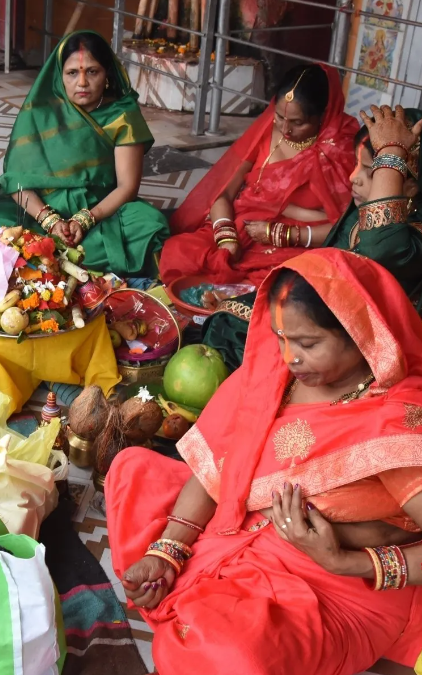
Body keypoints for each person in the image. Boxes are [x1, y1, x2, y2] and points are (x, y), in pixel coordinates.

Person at [106, 248, 422, 675]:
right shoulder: (273, 374)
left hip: (334, 583)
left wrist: (345, 561)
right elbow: (217, 469)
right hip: (241, 530)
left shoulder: (396, 420)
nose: (290, 356)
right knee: (131, 471)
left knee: (231, 655)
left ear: (361, 333)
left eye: (309, 343)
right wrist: (170, 551)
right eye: (280, 337)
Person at [202, 105, 422, 370]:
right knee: (226, 320)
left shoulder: (405, 236)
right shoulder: (365, 210)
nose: (353, 178)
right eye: (356, 165)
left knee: (239, 338)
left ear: (409, 187)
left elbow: (380, 245)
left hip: (357, 343)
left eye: (371, 171)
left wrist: (390, 152)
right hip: (319, 311)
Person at [0, 30, 168, 277]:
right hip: (43, 213)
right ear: (60, 76)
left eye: (92, 72)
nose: (82, 83)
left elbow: (127, 187)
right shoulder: (41, 114)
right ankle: (59, 259)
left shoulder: (122, 115)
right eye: (72, 73)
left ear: (107, 74)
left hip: (100, 213)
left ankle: (41, 262)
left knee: (148, 224)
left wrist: (85, 220)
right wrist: (49, 220)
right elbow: (17, 180)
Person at [159, 65, 359, 286]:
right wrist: (227, 237)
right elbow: (224, 194)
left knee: (285, 283)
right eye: (280, 117)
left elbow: (347, 225)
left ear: (323, 115)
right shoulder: (266, 132)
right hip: (244, 226)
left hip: (296, 242)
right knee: (178, 252)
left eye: (298, 123)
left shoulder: (339, 150)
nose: (285, 129)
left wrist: (285, 233)